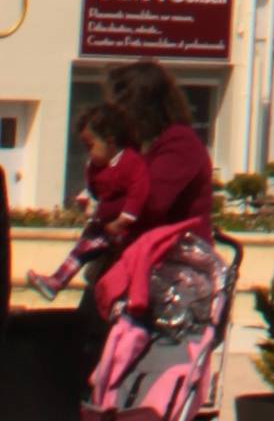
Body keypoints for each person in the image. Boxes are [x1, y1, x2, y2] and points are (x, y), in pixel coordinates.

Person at [32, 72, 215, 323]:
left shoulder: (179, 144)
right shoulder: (143, 146)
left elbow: (150, 203)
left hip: (171, 267)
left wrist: (104, 211)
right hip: (134, 258)